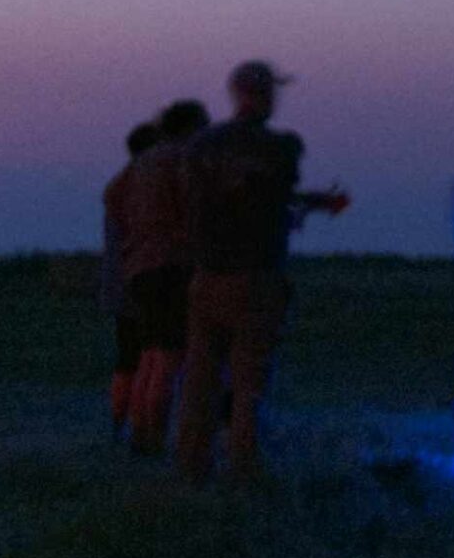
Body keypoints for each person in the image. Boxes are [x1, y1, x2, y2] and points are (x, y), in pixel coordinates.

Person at [175, 62, 350, 484]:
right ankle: (243, 466)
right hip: (255, 275)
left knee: (200, 377)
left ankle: (192, 466)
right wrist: (315, 205)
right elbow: (273, 199)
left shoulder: (200, 146)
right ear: (264, 95)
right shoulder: (281, 147)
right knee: (250, 378)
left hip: (206, 275)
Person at [119, 97, 210, 455]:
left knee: (150, 356)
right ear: (190, 128)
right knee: (171, 358)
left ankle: (141, 435)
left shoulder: (142, 163)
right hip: (171, 266)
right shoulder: (182, 160)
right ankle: (155, 440)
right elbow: (194, 211)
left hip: (140, 269)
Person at [101, 121, 159, 438]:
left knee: (127, 359)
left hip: (119, 284)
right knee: (150, 357)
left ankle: (119, 424)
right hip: (141, 282)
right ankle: (141, 427)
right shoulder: (143, 186)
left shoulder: (118, 185)